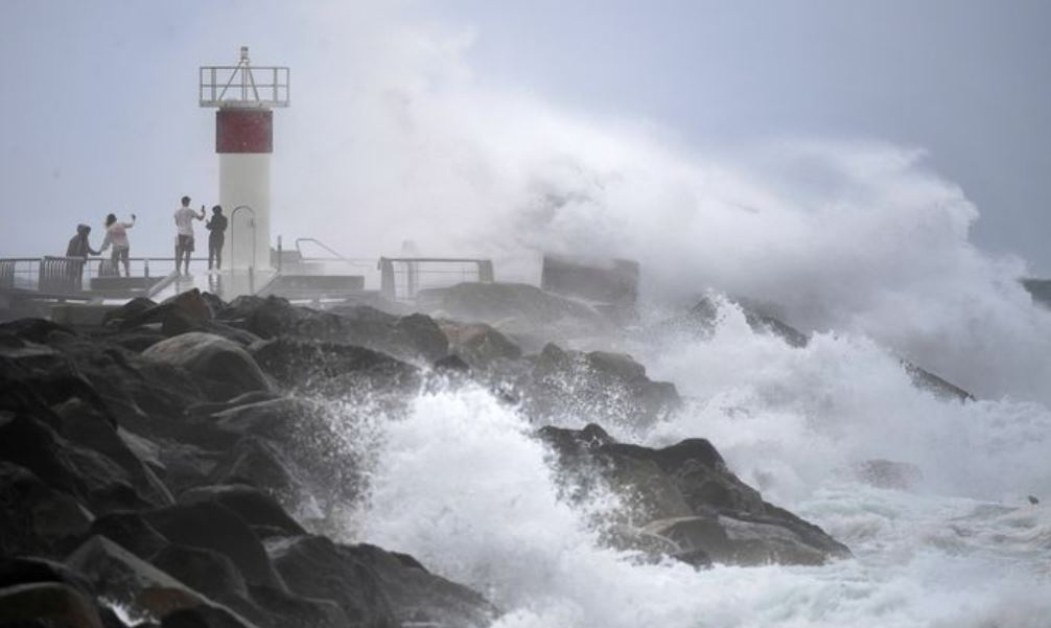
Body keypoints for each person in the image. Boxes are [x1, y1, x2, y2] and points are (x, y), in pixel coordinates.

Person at [174, 196, 205, 276]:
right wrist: (203, 212)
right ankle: (186, 270)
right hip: (189, 234)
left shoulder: (177, 212)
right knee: (188, 253)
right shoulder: (190, 211)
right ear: (188, 202)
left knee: (180, 252)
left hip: (180, 233)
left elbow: (176, 223)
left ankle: (178, 270)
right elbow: (200, 218)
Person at [99, 213, 136, 277]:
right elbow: (131, 225)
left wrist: (101, 250)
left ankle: (116, 272)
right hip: (125, 245)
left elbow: (106, 241)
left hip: (117, 247)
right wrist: (133, 219)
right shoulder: (121, 224)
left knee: (114, 260)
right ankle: (127, 272)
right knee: (125, 259)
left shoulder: (110, 229)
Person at [205, 205, 228, 271]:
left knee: (211, 253)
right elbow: (224, 228)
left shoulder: (214, 217)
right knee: (218, 253)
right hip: (220, 236)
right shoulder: (224, 218)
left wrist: (207, 224)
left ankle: (210, 268)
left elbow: (211, 227)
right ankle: (218, 267)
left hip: (213, 236)